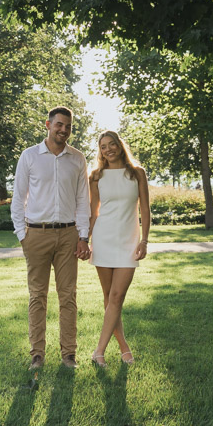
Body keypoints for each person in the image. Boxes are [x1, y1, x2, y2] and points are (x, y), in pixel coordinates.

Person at [10, 107, 91, 370]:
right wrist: (23, 236)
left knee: (68, 296)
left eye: (68, 126)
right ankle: (37, 355)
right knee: (37, 296)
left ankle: (68, 355)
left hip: (69, 235)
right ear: (48, 124)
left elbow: (83, 201)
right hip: (36, 234)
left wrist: (83, 236)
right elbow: (18, 199)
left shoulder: (77, 159)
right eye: (59, 125)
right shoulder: (29, 156)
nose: (63, 130)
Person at [87, 130, 151, 367]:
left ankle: (99, 350)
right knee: (109, 297)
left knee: (117, 296)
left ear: (120, 145)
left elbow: (145, 209)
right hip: (103, 239)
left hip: (128, 241)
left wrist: (144, 240)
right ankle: (124, 347)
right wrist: (85, 239)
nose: (108, 149)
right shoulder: (96, 176)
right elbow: (93, 213)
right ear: (100, 151)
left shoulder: (136, 173)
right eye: (103, 146)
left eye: (112, 144)